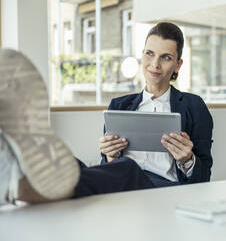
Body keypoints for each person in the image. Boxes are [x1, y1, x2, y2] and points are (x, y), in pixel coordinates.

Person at [0, 22, 213, 204]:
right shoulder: (119, 105)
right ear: (142, 55)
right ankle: (16, 176)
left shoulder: (193, 106)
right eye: (149, 53)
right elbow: (107, 170)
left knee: (127, 169)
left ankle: (18, 186)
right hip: (122, 188)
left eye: (166, 57)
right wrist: (110, 156)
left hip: (163, 191)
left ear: (178, 64)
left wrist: (188, 160)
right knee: (75, 164)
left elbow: (203, 179)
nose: (154, 64)